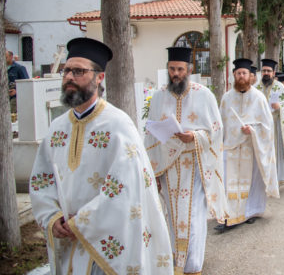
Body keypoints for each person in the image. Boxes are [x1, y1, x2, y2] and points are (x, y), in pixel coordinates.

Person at [29, 38, 172, 275]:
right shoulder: (56, 128)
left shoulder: (118, 125)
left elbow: (125, 187)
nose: (69, 77)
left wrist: (82, 222)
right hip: (66, 239)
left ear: (99, 78)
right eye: (66, 71)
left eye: (78, 71)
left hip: (105, 240)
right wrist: (52, 217)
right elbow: (41, 180)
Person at [144, 46, 228, 274]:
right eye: (172, 69)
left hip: (195, 164)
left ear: (189, 70)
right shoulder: (159, 96)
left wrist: (195, 136)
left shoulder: (204, 94)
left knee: (193, 217)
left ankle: (192, 266)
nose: (176, 74)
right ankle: (176, 261)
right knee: (172, 217)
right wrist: (153, 170)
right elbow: (150, 133)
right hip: (168, 166)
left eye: (180, 69)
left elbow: (216, 131)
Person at [219, 58, 279, 229]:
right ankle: (230, 214)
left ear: (250, 76)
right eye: (238, 73)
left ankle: (252, 211)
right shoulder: (226, 98)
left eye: (244, 73)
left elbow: (267, 126)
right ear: (234, 75)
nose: (241, 76)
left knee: (251, 182)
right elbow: (221, 123)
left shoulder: (258, 98)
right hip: (231, 148)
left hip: (251, 147)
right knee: (229, 181)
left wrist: (253, 130)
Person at [256, 59, 284, 185]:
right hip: (260, 126)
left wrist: (280, 107)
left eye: (269, 71)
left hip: (275, 125)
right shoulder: (256, 88)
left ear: (273, 73)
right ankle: (262, 179)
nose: (266, 73)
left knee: (275, 152)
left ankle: (276, 179)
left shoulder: (280, 87)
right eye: (264, 71)